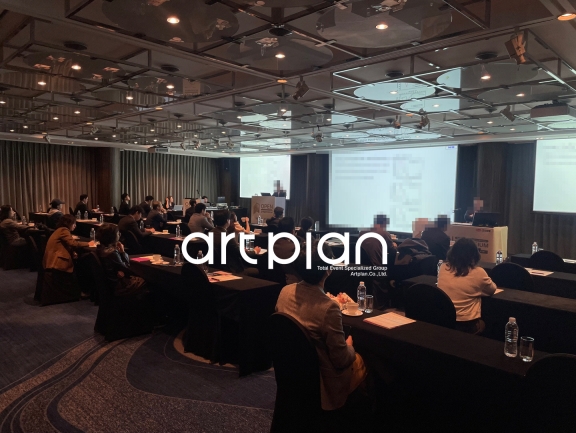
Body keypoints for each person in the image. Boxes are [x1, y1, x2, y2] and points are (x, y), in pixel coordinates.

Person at [275, 241, 367, 411]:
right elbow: (341, 360)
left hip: (290, 372)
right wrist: (350, 346)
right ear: (328, 269)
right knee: (365, 361)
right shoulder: (328, 308)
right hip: (322, 382)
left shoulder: (285, 292)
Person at [437, 237, 497, 334]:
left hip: (444, 320)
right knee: (489, 322)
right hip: (467, 325)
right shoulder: (479, 272)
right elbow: (492, 289)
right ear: (474, 255)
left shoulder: (443, 268)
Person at [43, 214, 95, 297]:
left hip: (51, 259)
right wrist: (89, 243)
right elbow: (73, 243)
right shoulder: (64, 230)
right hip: (57, 261)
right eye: (74, 223)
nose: (75, 226)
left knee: (81, 260)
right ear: (68, 223)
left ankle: (82, 290)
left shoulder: (59, 230)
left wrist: (72, 251)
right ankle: (83, 290)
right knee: (84, 262)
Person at [96, 223, 147, 296]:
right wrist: (123, 252)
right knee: (145, 280)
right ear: (112, 237)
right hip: (117, 286)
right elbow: (127, 267)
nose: (119, 235)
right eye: (118, 233)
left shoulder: (99, 249)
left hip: (107, 283)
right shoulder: (112, 253)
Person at [273, 217, 302, 285]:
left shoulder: (271, 245)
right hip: (294, 282)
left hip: (274, 280)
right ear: (292, 231)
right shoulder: (294, 248)